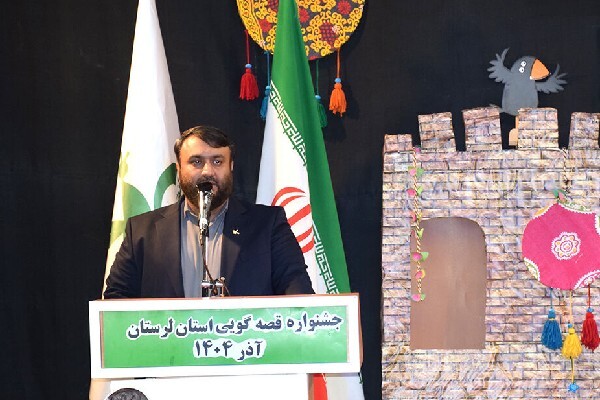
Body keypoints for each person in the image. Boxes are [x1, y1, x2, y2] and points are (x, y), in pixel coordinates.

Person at [104, 125, 314, 298]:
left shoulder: (268, 225)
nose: (208, 171)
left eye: (217, 161)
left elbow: (298, 292)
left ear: (231, 166)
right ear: (178, 169)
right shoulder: (141, 231)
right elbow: (116, 301)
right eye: (196, 162)